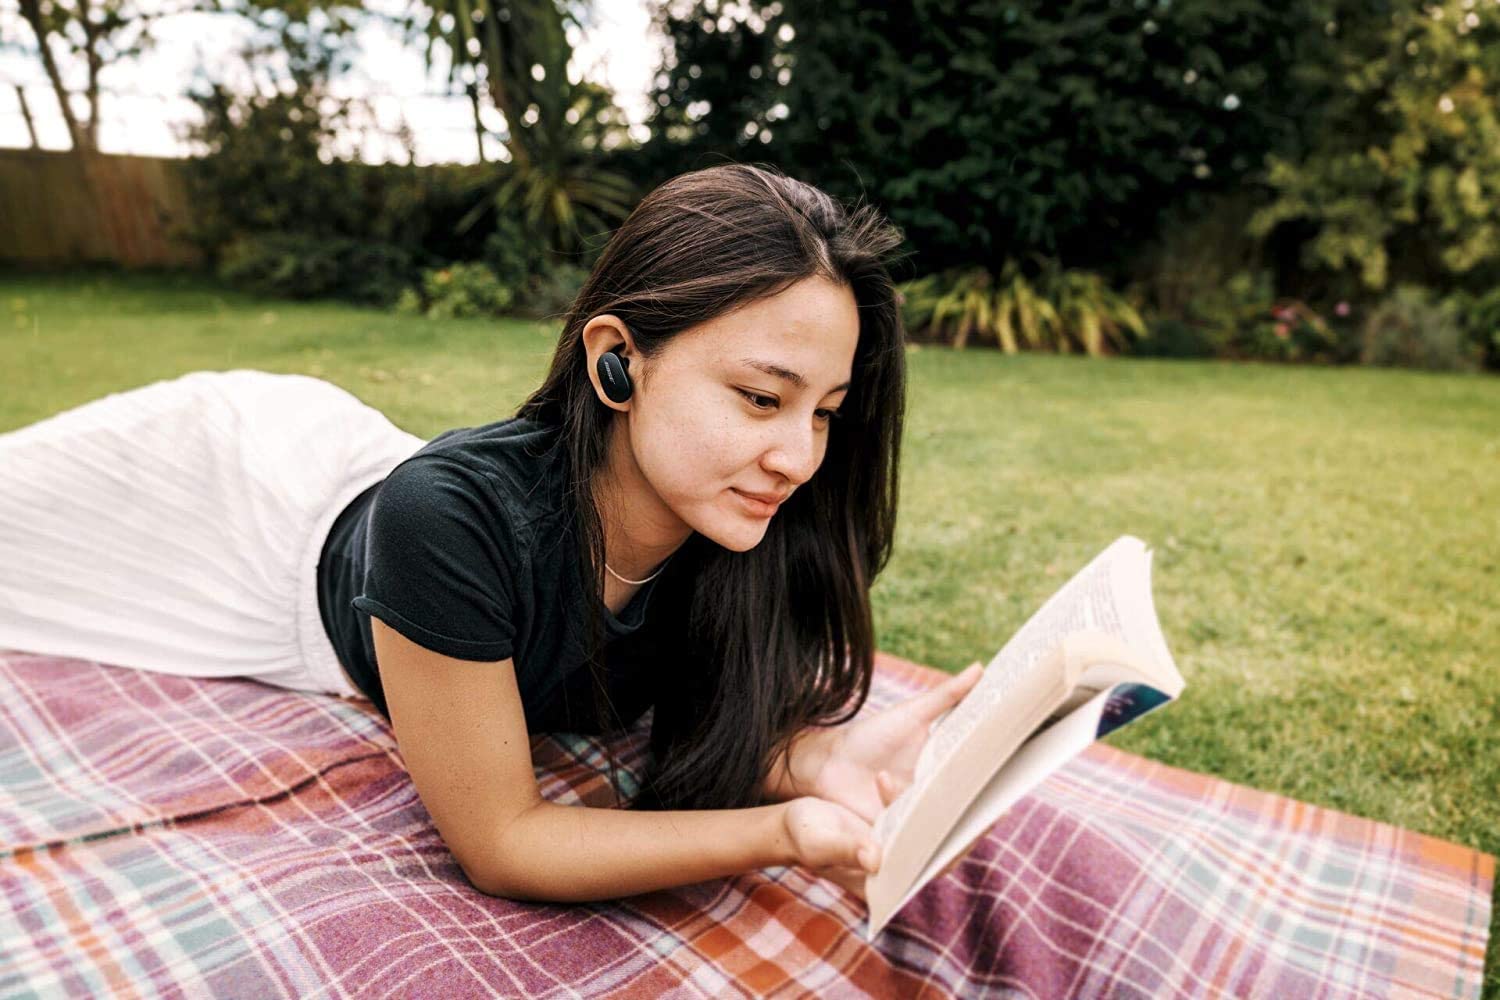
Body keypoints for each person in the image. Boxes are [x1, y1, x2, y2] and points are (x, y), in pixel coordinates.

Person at [0, 162, 983, 907]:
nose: (797, 456)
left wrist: (812, 759)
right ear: (617, 363)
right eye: (762, 396)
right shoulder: (455, 524)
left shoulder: (733, 526)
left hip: (350, 482)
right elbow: (506, 840)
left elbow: (696, 714)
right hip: (228, 500)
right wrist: (783, 830)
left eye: (824, 411)